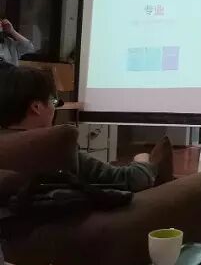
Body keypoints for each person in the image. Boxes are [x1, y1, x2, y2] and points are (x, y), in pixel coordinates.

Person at [0, 66, 159, 192]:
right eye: (53, 102)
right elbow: (133, 180)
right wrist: (142, 160)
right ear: (36, 107)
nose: (54, 108)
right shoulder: (53, 146)